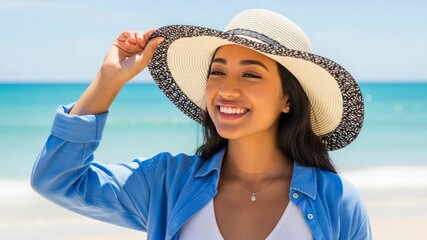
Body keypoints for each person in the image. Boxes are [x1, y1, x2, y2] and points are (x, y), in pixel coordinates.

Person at [31, 9, 371, 240]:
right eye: (217, 72)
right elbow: (58, 180)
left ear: (288, 99)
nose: (227, 89)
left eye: (251, 74)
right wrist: (108, 83)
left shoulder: (336, 201)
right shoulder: (166, 183)